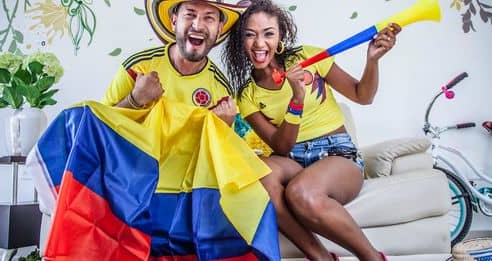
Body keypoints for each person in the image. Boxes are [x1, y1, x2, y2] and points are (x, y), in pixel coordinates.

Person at [223, 0, 401, 260]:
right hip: (292, 158)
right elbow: (281, 147)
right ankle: (321, 257)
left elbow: (363, 96)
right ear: (239, 41)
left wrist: (372, 61)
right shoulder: (247, 95)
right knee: (257, 175)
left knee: (300, 193)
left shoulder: (309, 58)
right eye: (249, 34)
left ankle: (372, 257)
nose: (259, 44)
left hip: (337, 155)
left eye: (268, 33)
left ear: (280, 35)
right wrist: (296, 100)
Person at [102, 0, 249, 126]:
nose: (197, 25)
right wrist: (135, 99)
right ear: (174, 21)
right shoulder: (137, 67)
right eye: (190, 14)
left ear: (219, 29)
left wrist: (222, 127)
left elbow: (219, 154)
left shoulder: (222, 93)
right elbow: (99, 126)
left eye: (209, 18)